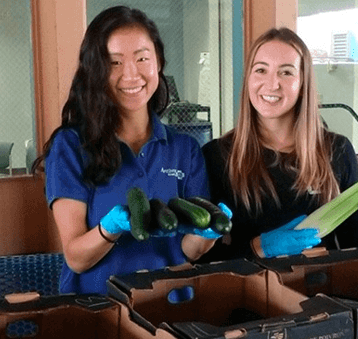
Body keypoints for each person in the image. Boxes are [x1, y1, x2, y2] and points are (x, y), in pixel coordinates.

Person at [35, 6, 223, 295]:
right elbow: (76, 258)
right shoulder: (71, 147)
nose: (131, 74)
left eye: (142, 58)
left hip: (169, 310)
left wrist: (208, 233)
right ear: (96, 70)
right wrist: (110, 227)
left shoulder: (185, 149)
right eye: (114, 63)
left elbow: (189, 252)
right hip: (99, 313)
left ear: (158, 62)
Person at [199, 27, 358, 261]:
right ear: (248, 79)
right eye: (261, 70)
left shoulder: (337, 151)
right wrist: (257, 248)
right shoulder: (217, 156)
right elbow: (204, 259)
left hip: (322, 289)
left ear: (302, 84)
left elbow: (357, 248)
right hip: (251, 291)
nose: (272, 83)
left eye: (286, 73)